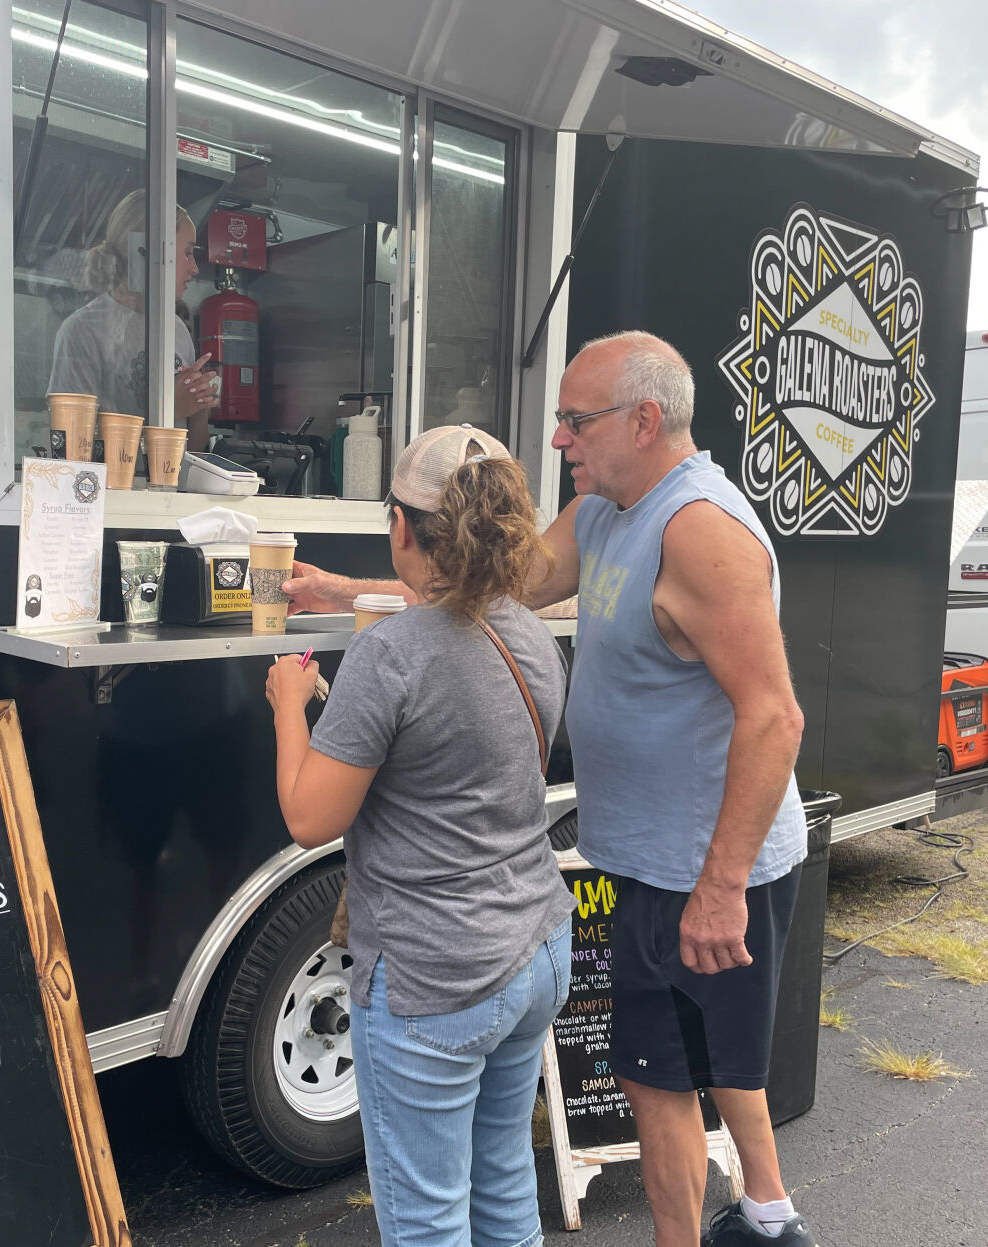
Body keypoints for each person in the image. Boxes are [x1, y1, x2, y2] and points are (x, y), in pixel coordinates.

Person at [283, 333, 815, 1247]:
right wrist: (341, 586)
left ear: (644, 421)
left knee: (709, 1066)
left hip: (708, 866)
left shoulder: (701, 530)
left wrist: (723, 887)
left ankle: (770, 1219)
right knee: (658, 1080)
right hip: (642, 862)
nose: (560, 439)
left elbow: (775, 717)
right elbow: (482, 583)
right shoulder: (608, 511)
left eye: (576, 420)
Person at [263, 424, 575, 1247]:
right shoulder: (531, 634)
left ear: (402, 526)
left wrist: (289, 708)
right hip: (535, 945)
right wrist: (336, 588)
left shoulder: (389, 657)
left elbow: (308, 818)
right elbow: (448, 608)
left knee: (428, 1218)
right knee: (504, 1179)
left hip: (437, 976)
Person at [48, 190, 219, 443]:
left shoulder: (177, 330)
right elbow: (73, 445)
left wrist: (200, 408)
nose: (194, 267)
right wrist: (168, 412)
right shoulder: (82, 330)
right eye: (187, 252)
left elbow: (194, 454)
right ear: (147, 252)